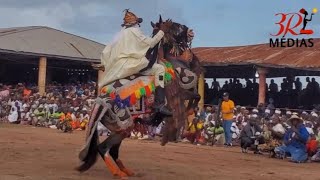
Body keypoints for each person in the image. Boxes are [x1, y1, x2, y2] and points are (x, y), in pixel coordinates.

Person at [98, 9, 171, 115]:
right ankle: (159, 104)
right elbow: (150, 43)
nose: (138, 26)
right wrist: (162, 31)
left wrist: (105, 64)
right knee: (160, 69)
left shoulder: (118, 35)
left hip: (117, 67)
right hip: (131, 65)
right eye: (138, 24)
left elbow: (105, 52)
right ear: (135, 23)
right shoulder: (134, 31)